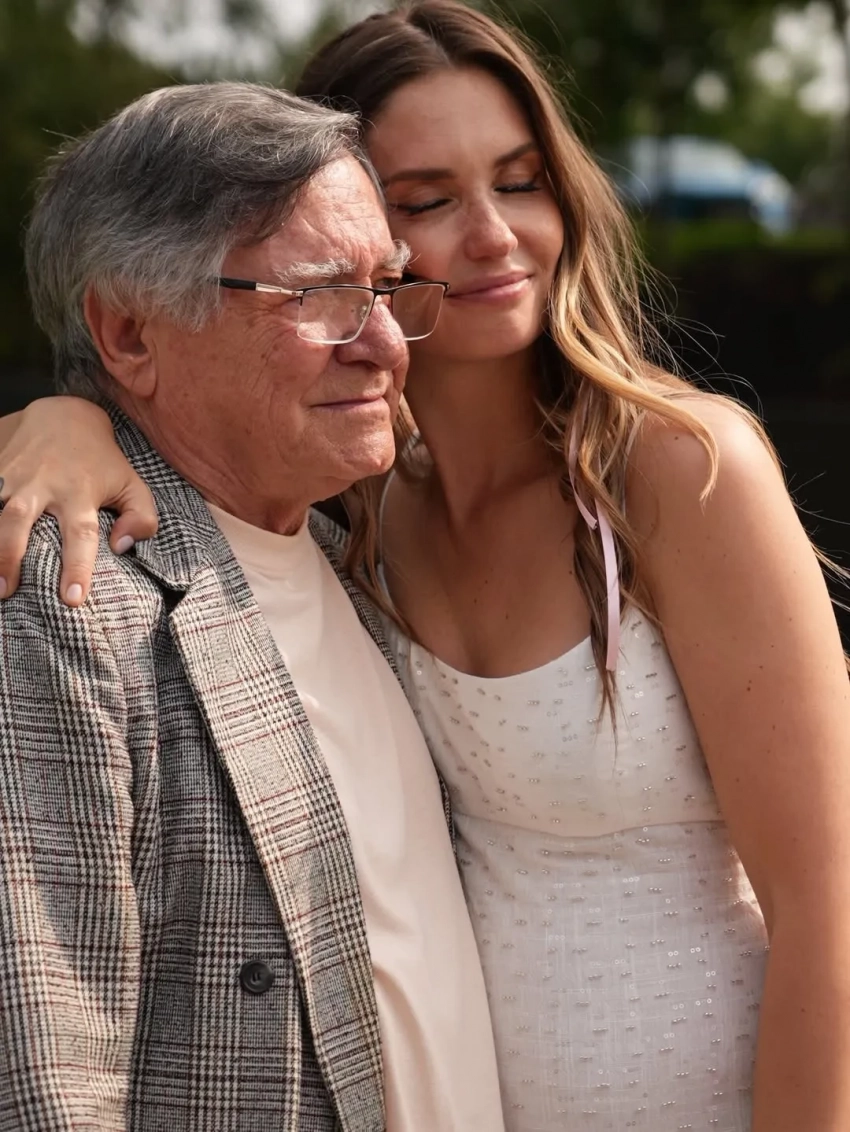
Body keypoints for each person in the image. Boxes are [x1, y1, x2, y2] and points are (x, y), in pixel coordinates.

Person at [2, 2, 850, 1130]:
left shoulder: (667, 471)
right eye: (428, 201)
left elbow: (827, 904)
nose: (493, 236)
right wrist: (66, 418)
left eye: (521, 179)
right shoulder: (351, 521)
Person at [0, 79, 506, 1131]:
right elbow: (47, 1085)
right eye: (318, 295)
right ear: (129, 333)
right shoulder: (60, 599)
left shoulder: (355, 554)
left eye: (385, 286)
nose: (386, 343)